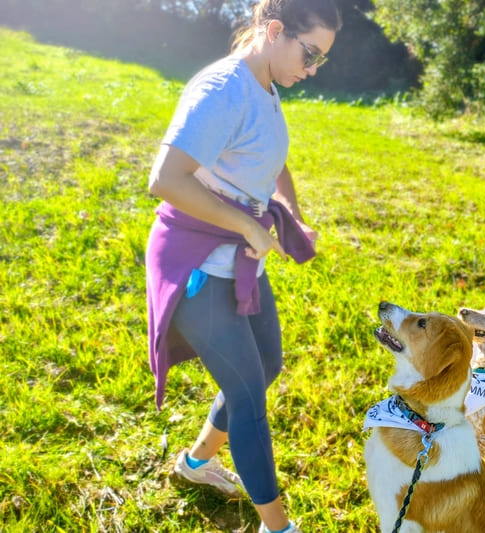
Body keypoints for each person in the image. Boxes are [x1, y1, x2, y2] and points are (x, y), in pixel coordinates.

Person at [145, 1, 341, 532]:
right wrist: (250, 226)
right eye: (310, 54)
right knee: (249, 398)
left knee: (268, 363)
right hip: (196, 261)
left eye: (321, 59)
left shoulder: (267, 85)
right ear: (275, 31)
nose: (313, 69)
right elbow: (165, 179)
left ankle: (195, 463)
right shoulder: (221, 89)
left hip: (238, 253)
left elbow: (273, 156)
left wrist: (292, 216)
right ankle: (278, 528)